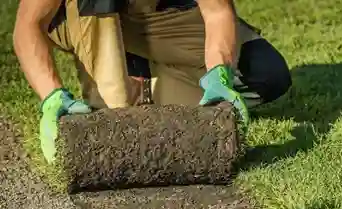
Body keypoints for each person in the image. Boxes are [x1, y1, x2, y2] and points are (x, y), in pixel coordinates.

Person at [12, 0, 292, 164]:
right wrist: (52, 97)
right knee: (116, 131)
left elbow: (218, 11)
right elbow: (28, 25)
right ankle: (114, 92)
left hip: (159, 13)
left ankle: (143, 77)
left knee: (265, 74)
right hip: (87, 12)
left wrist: (219, 75)